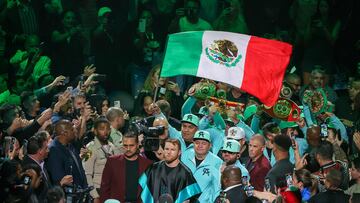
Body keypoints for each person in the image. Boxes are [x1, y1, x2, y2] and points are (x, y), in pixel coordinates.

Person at [139, 138, 201, 202]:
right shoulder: (153, 168)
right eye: (166, 149)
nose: (169, 152)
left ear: (179, 152)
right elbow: (140, 188)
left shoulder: (185, 173)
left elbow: (193, 197)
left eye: (173, 150)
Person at [100, 133, 152, 203]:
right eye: (125, 145)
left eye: (131, 145)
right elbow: (104, 188)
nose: (128, 149)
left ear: (137, 145)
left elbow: (151, 190)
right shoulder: (112, 162)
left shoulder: (147, 164)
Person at [182, 130, 223, 202]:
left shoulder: (217, 162)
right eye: (197, 143)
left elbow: (217, 188)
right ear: (193, 143)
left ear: (210, 145)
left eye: (204, 143)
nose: (200, 146)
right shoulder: (185, 154)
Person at [83, 118, 117, 202]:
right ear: (95, 131)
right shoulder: (90, 148)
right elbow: (87, 174)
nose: (106, 132)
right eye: (102, 129)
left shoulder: (112, 147)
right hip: (98, 191)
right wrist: (95, 196)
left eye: (108, 129)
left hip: (111, 190)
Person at [46, 120, 87, 188]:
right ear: (65, 133)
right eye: (72, 129)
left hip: (80, 190)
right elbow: (58, 179)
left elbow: (77, 168)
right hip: (68, 194)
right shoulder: (54, 151)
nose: (75, 131)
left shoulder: (70, 145)